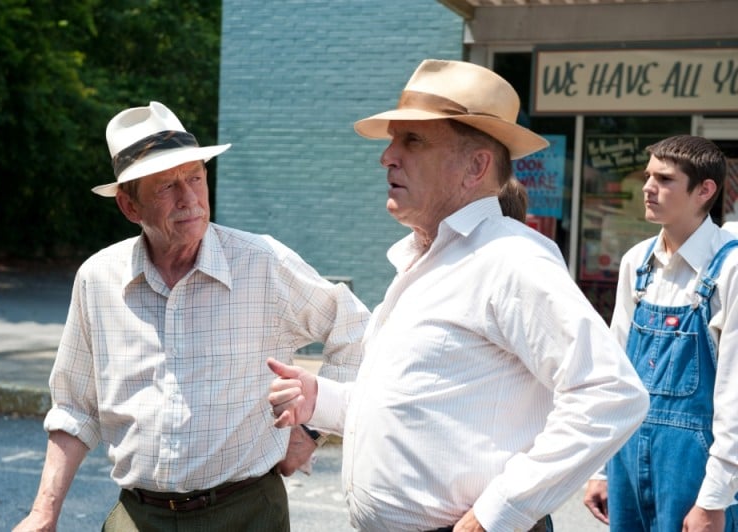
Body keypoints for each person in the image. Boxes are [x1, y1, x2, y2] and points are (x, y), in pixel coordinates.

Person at [268, 59, 649, 532]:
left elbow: (611, 394)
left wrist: (498, 514)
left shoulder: (510, 259)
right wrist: (320, 399)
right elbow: (422, 406)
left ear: (476, 166)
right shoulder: (429, 259)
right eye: (392, 139)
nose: (386, 156)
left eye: (413, 140)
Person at [13, 102, 369, 531]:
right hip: (138, 517)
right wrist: (43, 512)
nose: (190, 199)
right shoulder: (99, 279)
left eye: (195, 177)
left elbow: (358, 331)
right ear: (130, 207)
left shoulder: (262, 263)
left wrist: (313, 428)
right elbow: (74, 408)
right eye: (166, 186)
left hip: (247, 514)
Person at [583, 135, 738, 532]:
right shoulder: (637, 262)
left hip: (696, 469)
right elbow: (613, 369)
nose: (647, 188)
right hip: (627, 460)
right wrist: (601, 466)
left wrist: (715, 497)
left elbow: (734, 394)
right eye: (648, 175)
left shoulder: (730, 268)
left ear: (705, 190)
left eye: (665, 179)